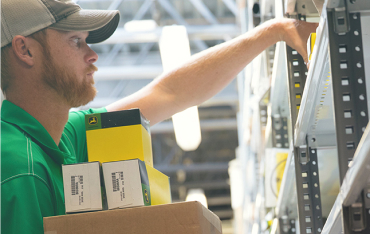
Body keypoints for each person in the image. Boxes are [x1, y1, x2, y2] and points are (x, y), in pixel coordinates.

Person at [1, 0, 317, 233]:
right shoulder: (21, 170)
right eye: (75, 41)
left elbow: (169, 93)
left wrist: (273, 32)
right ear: (25, 50)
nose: (92, 54)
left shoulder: (61, 137)